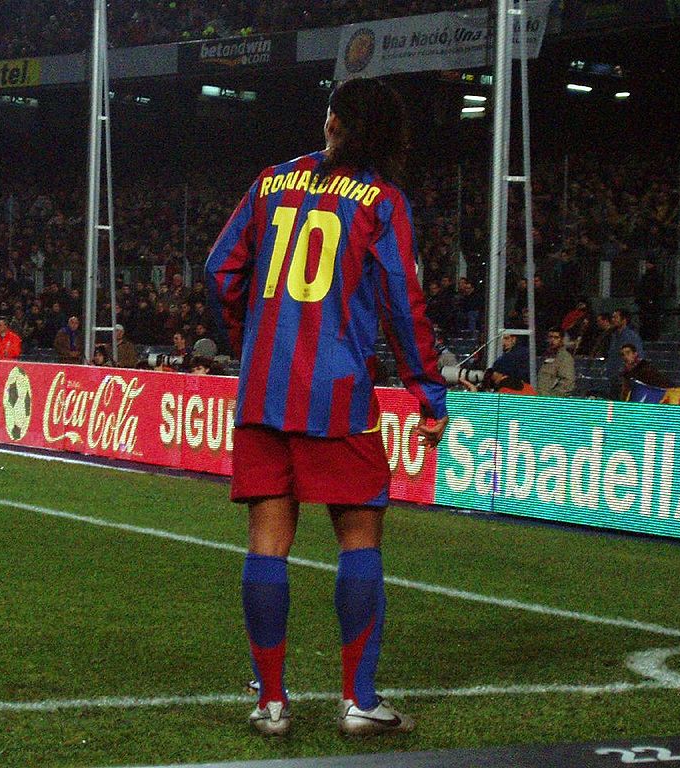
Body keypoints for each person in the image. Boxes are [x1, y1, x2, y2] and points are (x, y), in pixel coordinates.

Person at [205, 77, 448, 738]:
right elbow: (403, 300)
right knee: (360, 534)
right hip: (338, 394)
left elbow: (219, 268)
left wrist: (247, 340)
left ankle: (273, 704)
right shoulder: (383, 201)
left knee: (267, 539)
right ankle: (358, 700)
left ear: (335, 120)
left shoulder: (270, 182)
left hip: (264, 391)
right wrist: (428, 392)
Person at [605, 309, 644, 399]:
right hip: (613, 379)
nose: (613, 320)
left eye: (616, 317)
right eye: (612, 317)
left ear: (624, 320)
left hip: (625, 381)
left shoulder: (632, 336)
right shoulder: (614, 336)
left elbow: (639, 357)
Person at [537, 327, 575, 397]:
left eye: (556, 337)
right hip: (541, 396)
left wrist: (553, 397)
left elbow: (568, 382)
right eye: (550, 337)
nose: (552, 340)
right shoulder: (547, 355)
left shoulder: (564, 357)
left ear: (562, 339)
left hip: (552, 399)